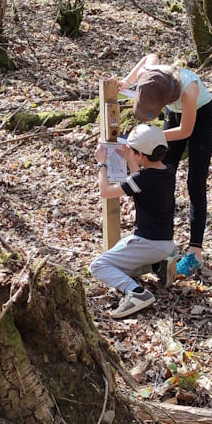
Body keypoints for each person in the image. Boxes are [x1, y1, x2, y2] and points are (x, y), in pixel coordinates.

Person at [117, 53, 212, 276]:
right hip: (174, 112)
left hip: (199, 117)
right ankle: (157, 239)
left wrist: (152, 137)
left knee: (195, 183)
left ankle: (195, 252)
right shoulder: (149, 77)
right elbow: (150, 56)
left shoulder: (189, 89)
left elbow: (185, 131)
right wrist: (127, 82)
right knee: (161, 170)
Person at [89, 123, 178, 319]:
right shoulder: (168, 171)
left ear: (142, 155)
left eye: (134, 151)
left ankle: (136, 293)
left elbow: (105, 191)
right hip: (165, 243)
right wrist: (131, 158)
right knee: (119, 259)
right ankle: (158, 266)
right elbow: (141, 182)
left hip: (146, 242)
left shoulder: (142, 178)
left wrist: (101, 163)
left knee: (98, 266)